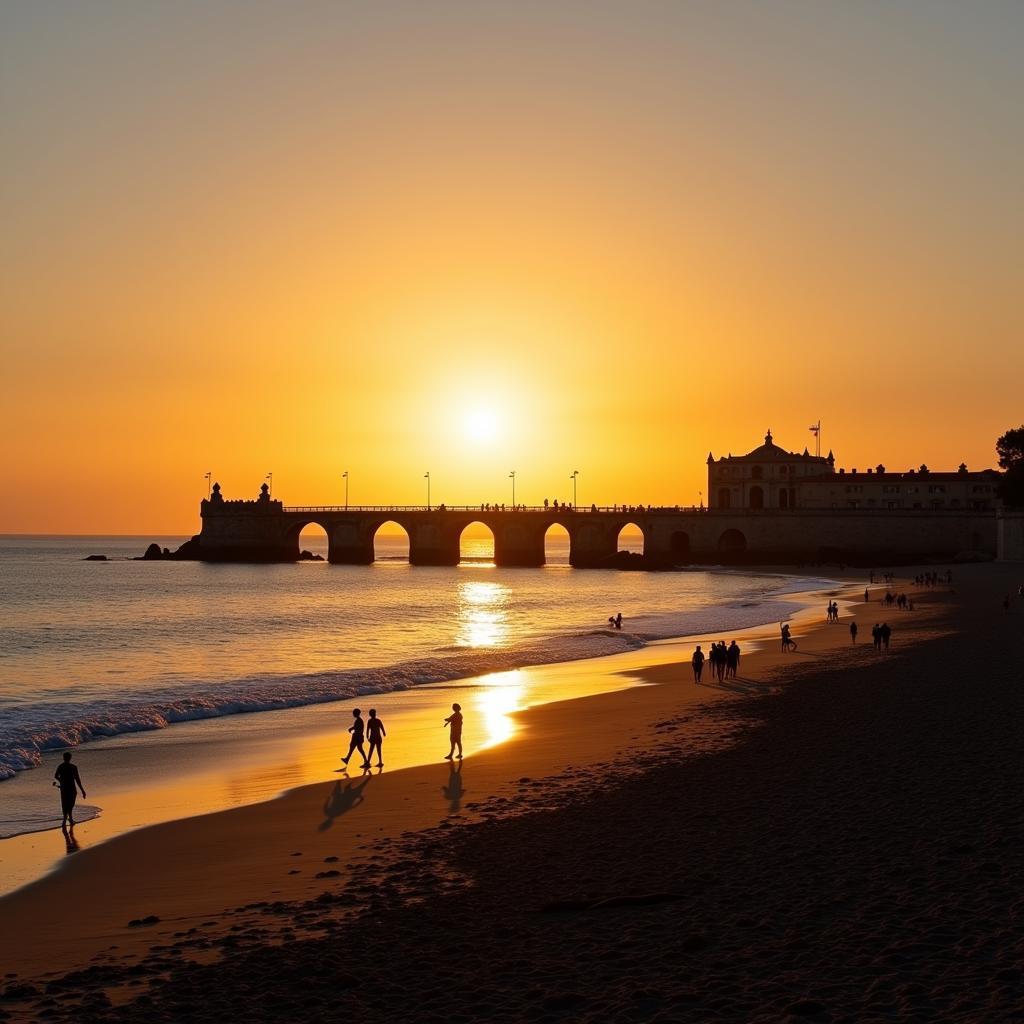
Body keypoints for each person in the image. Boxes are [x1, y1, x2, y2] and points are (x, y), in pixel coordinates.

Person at [54, 751, 86, 827]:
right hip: (71, 788)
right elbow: (77, 780)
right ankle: (69, 818)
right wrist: (82, 790)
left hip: (64, 788)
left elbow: (55, 776)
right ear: (70, 758)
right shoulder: (73, 767)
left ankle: (66, 819)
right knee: (71, 803)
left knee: (64, 803)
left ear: (63, 758)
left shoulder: (61, 766)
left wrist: (61, 781)